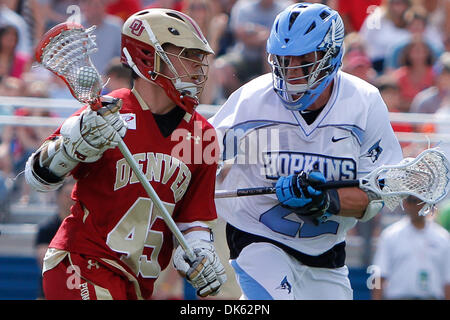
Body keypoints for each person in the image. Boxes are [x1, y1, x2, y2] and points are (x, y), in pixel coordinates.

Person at [24, 8, 226, 300]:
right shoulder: (107, 112)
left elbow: (193, 218)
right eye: (186, 55)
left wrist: (200, 252)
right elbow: (37, 177)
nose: (197, 66)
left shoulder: (203, 135)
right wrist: (71, 146)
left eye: (198, 57)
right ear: (148, 57)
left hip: (136, 284)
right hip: (80, 265)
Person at [210, 2, 403, 300]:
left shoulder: (363, 103)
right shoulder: (254, 100)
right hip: (259, 237)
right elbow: (202, 155)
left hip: (326, 252)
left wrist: (326, 199)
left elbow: (379, 194)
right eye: (284, 61)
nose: (291, 73)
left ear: (331, 55)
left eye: (304, 60)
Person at [372, 195, 450, 300]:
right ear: (404, 203)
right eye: (412, 201)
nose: (416, 206)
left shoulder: (443, 238)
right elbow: (378, 275)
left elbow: (447, 279)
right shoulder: (390, 235)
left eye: (421, 201)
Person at [35, 178, 76, 299]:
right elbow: (45, 261)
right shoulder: (47, 228)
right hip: (50, 292)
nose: (71, 199)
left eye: (74, 195)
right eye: (67, 195)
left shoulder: (86, 228)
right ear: (58, 197)